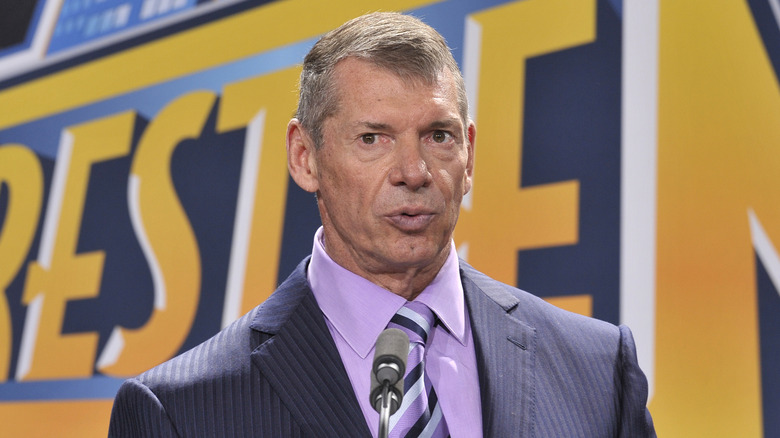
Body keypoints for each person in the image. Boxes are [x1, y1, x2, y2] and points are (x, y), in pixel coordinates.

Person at [108, 12, 656, 437]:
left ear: (469, 153)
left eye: (438, 136)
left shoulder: (597, 369)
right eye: (373, 139)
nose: (414, 172)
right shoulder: (181, 413)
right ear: (305, 157)